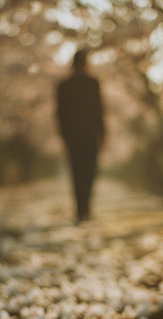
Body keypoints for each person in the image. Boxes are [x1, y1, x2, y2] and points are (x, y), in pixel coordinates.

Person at [57, 50, 105, 223]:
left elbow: (60, 114)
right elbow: (99, 111)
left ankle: (80, 210)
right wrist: (102, 134)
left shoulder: (63, 85)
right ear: (85, 64)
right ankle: (86, 209)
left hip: (72, 136)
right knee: (89, 171)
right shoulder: (93, 83)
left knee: (76, 173)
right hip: (89, 135)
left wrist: (64, 137)